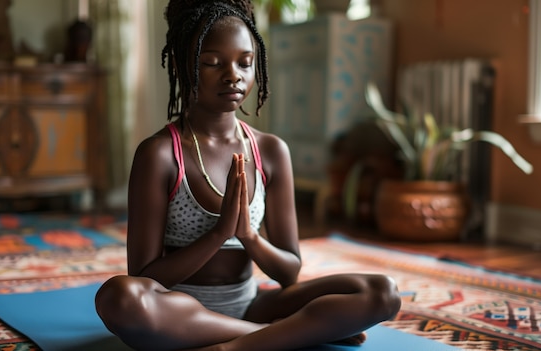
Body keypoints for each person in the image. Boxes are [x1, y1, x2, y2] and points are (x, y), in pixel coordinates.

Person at [94, 1, 401, 350]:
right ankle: (282, 336)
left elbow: (289, 273)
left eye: (245, 62)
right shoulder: (160, 153)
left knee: (381, 292)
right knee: (119, 297)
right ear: (182, 65)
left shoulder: (270, 151)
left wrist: (249, 237)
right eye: (212, 63)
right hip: (180, 314)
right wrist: (219, 234)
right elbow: (145, 277)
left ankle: (234, 346)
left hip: (253, 304)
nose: (233, 75)